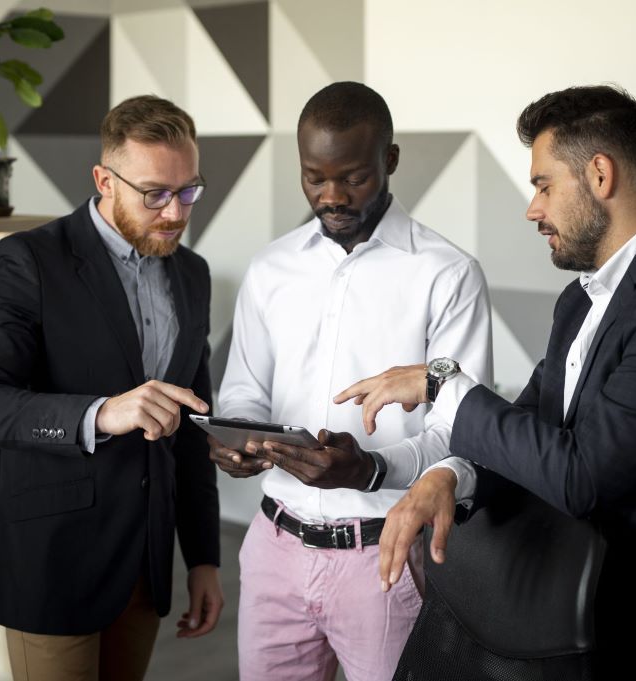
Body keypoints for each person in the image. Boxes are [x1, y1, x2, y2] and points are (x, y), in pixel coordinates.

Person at [336, 85, 636, 680]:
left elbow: (583, 477)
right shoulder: (580, 302)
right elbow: (534, 428)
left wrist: (438, 384)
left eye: (543, 185)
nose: (533, 209)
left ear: (600, 175)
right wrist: (450, 475)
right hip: (599, 625)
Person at [209, 81, 492, 681]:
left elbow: (463, 437)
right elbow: (243, 388)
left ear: (390, 159)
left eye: (354, 178)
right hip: (273, 550)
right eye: (314, 178)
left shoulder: (447, 275)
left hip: (383, 556)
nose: (331, 196)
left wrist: (369, 469)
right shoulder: (270, 268)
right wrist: (237, 440)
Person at [0, 95, 223, 681]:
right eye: (154, 193)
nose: (175, 212)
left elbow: (192, 429)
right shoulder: (29, 260)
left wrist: (203, 559)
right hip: (55, 562)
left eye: (188, 191)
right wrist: (101, 414)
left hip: (146, 566)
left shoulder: (192, 274)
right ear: (104, 180)